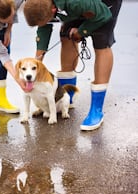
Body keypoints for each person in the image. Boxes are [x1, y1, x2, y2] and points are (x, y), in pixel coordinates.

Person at [23, 0, 122, 131]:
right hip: (71, 5)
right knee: (67, 34)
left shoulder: (75, 3)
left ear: (53, 9)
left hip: (105, 5)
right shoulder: (42, 4)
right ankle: (65, 97)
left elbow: (104, 15)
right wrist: (38, 61)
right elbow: (44, 25)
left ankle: (96, 110)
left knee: (101, 41)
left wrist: (82, 31)